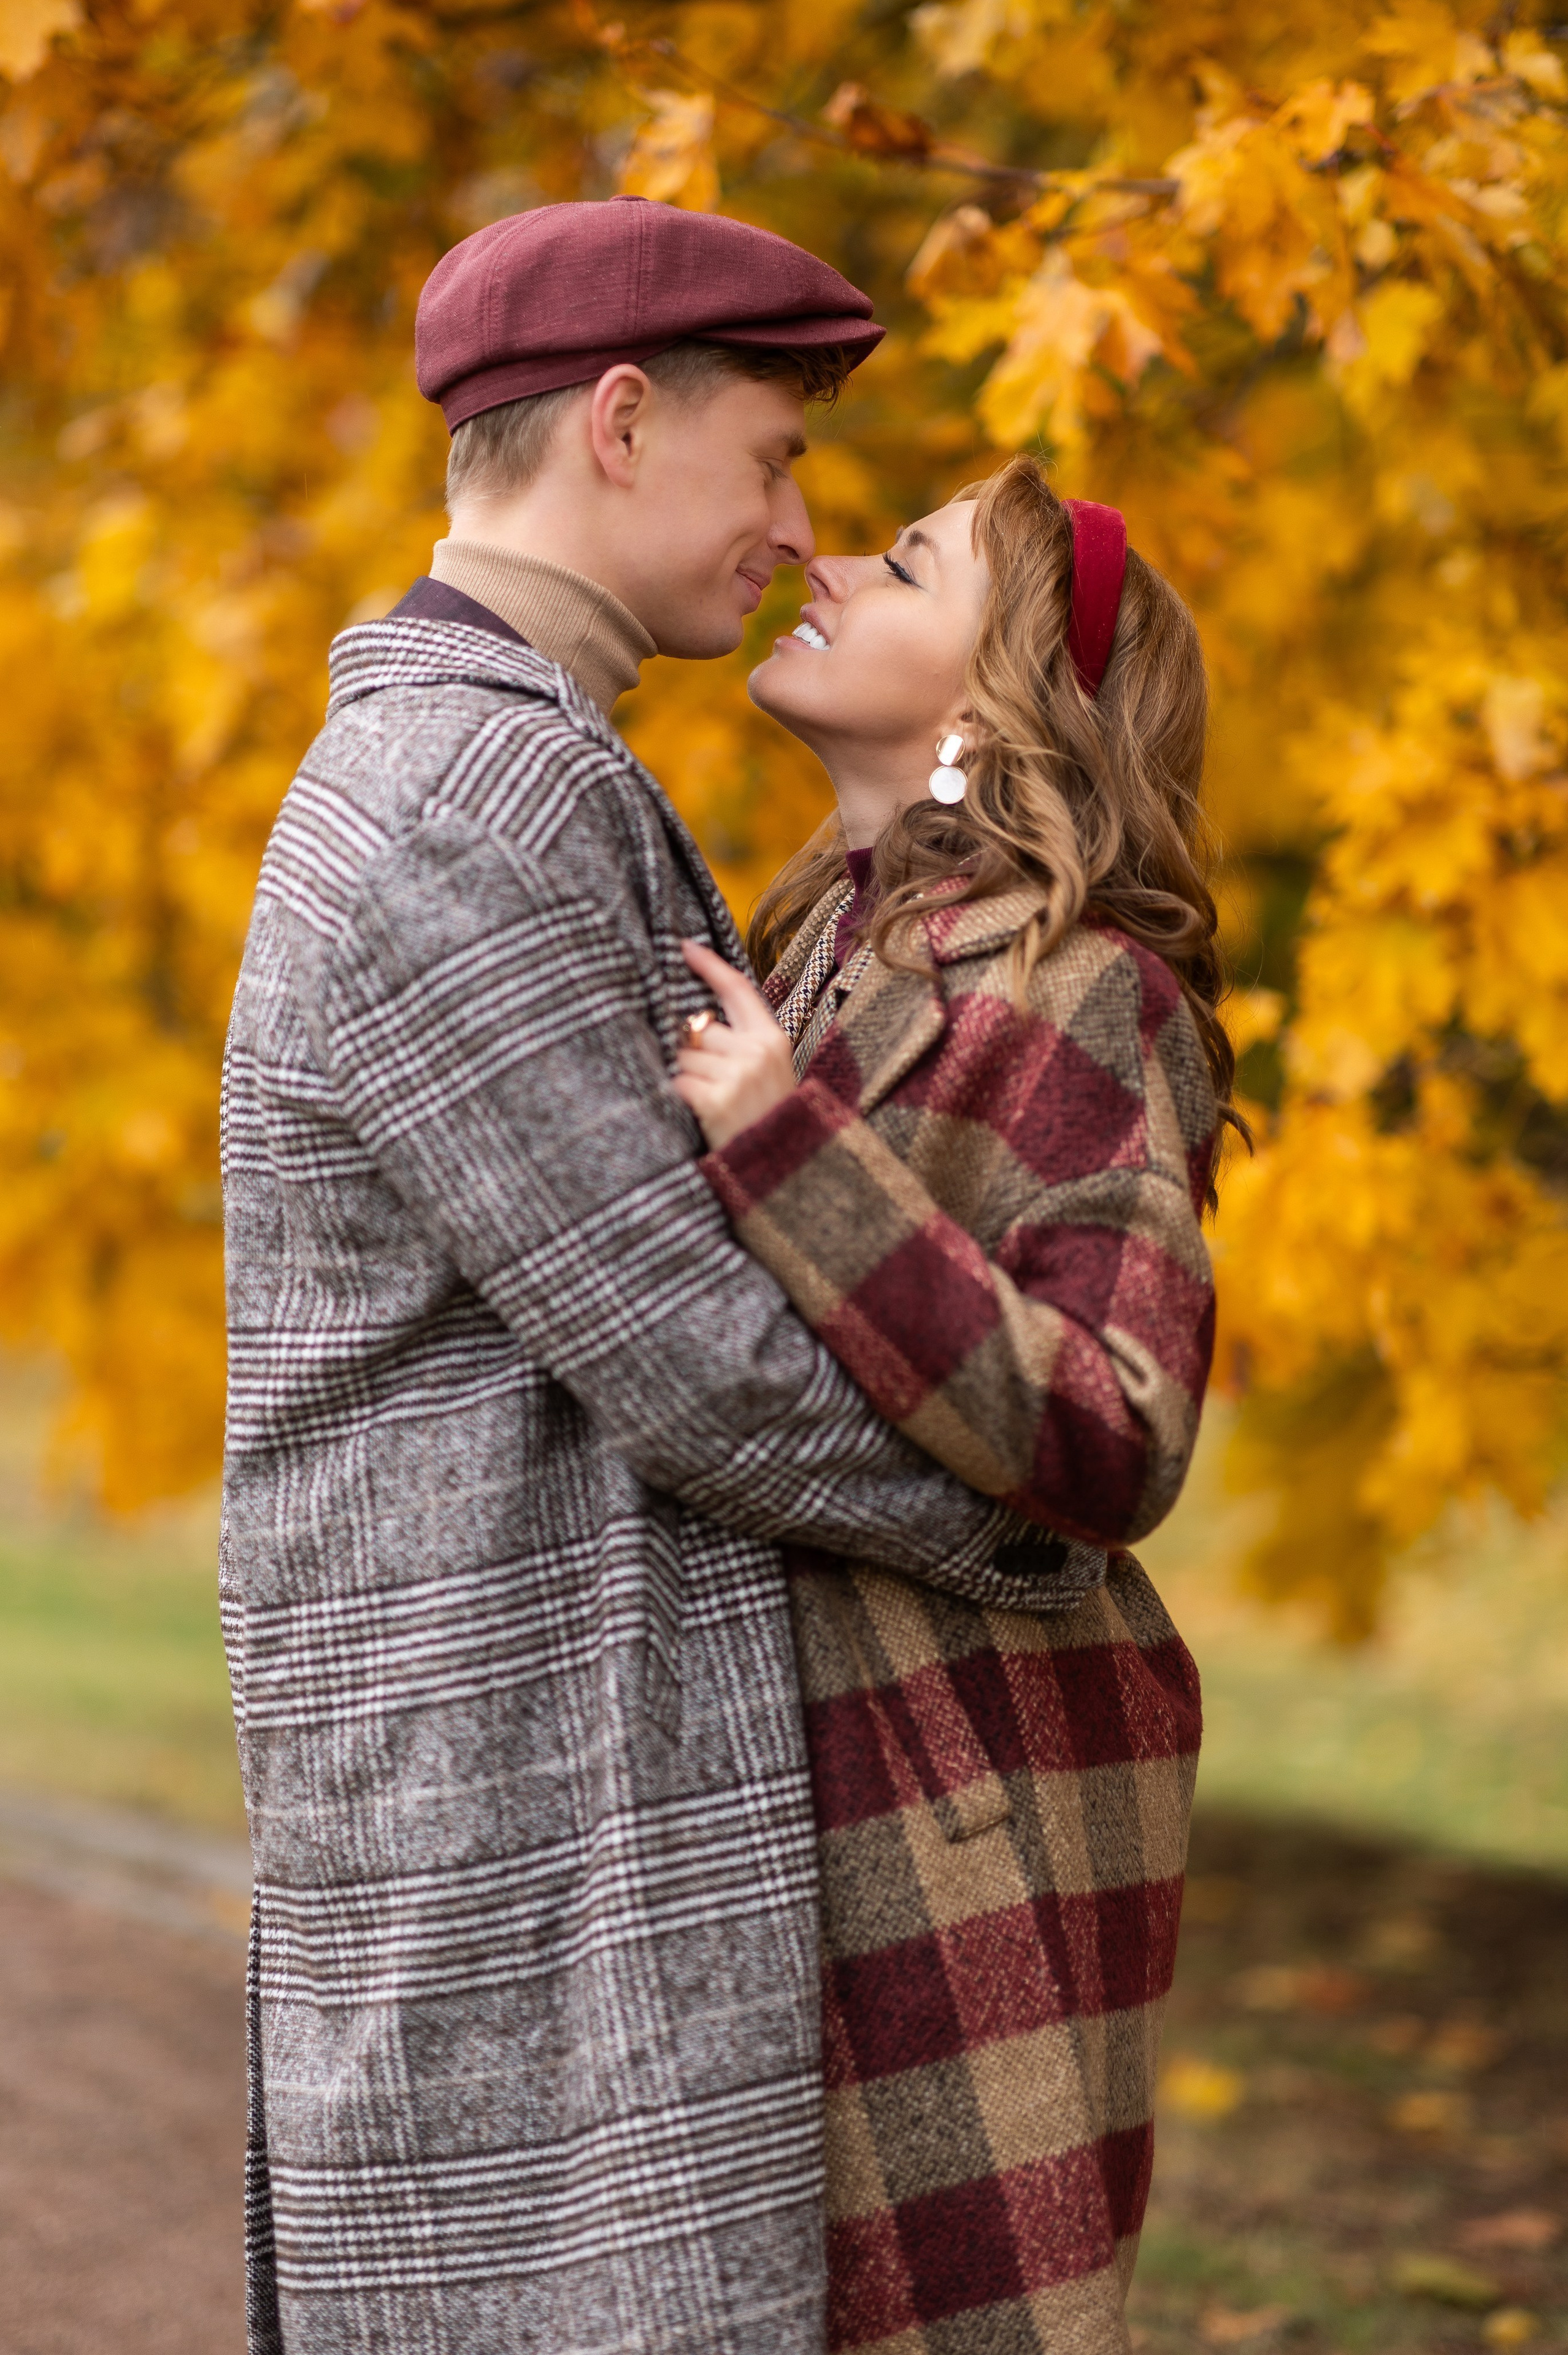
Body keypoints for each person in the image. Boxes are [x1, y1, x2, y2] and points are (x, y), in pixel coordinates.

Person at [219, 199, 1068, 2355]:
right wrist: (1024, 1515)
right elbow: (684, 1348)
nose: (796, 527)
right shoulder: (450, 789)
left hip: (553, 1744)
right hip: (505, 1770)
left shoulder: (527, 757)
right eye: (771, 456)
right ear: (618, 421)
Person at [672, 457, 1236, 2353]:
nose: (821, 561)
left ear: (992, 703)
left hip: (956, 1787)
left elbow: (1116, 1436)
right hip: (767, 1768)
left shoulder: (1094, 994)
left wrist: (784, 1145)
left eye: (899, 560)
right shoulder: (794, 940)